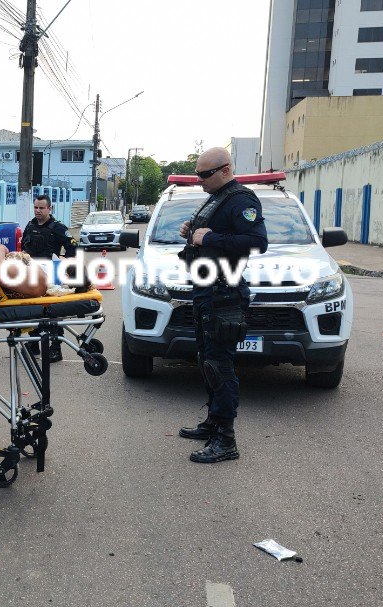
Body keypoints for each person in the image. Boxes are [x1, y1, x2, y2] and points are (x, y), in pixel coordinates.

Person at [177, 147, 268, 464]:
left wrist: (210, 238)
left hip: (224, 294)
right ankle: (213, 422)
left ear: (225, 170)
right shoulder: (215, 197)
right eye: (198, 174)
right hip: (205, 292)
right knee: (206, 360)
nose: (199, 180)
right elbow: (208, 234)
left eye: (204, 174)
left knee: (220, 365)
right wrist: (192, 234)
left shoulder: (241, 200)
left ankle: (226, 440)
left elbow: (258, 242)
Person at [20, 194, 78, 362]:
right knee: (31, 310)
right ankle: (33, 344)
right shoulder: (30, 226)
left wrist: (64, 262)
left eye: (41, 208)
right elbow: (24, 247)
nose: (38, 211)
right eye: (36, 207)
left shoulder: (58, 228)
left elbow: (73, 248)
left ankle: (55, 347)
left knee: (53, 313)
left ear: (49, 209)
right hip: (32, 275)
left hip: (52, 276)